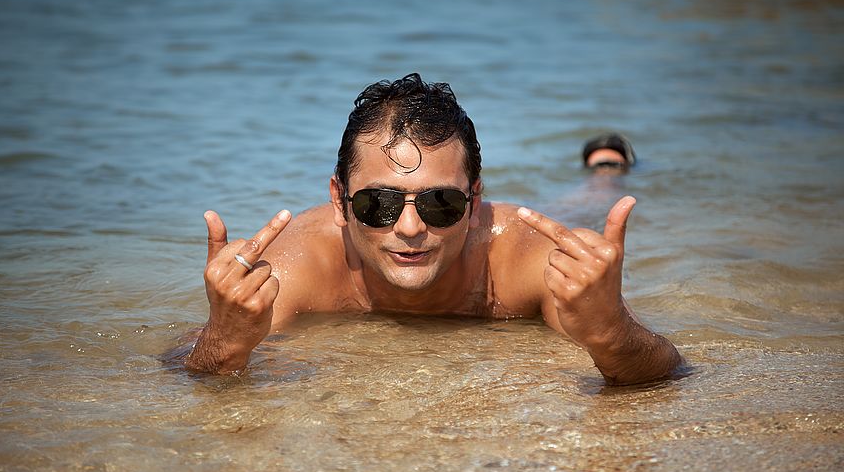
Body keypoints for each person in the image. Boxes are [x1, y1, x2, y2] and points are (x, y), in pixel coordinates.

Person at [183, 73, 684, 385]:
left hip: (508, 225)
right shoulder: (298, 268)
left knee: (583, 200)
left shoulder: (524, 256)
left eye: (440, 203)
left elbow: (660, 369)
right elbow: (188, 369)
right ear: (339, 200)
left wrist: (610, 329)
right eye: (377, 203)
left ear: (474, 199)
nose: (409, 227)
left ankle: (606, 169)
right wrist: (225, 339)